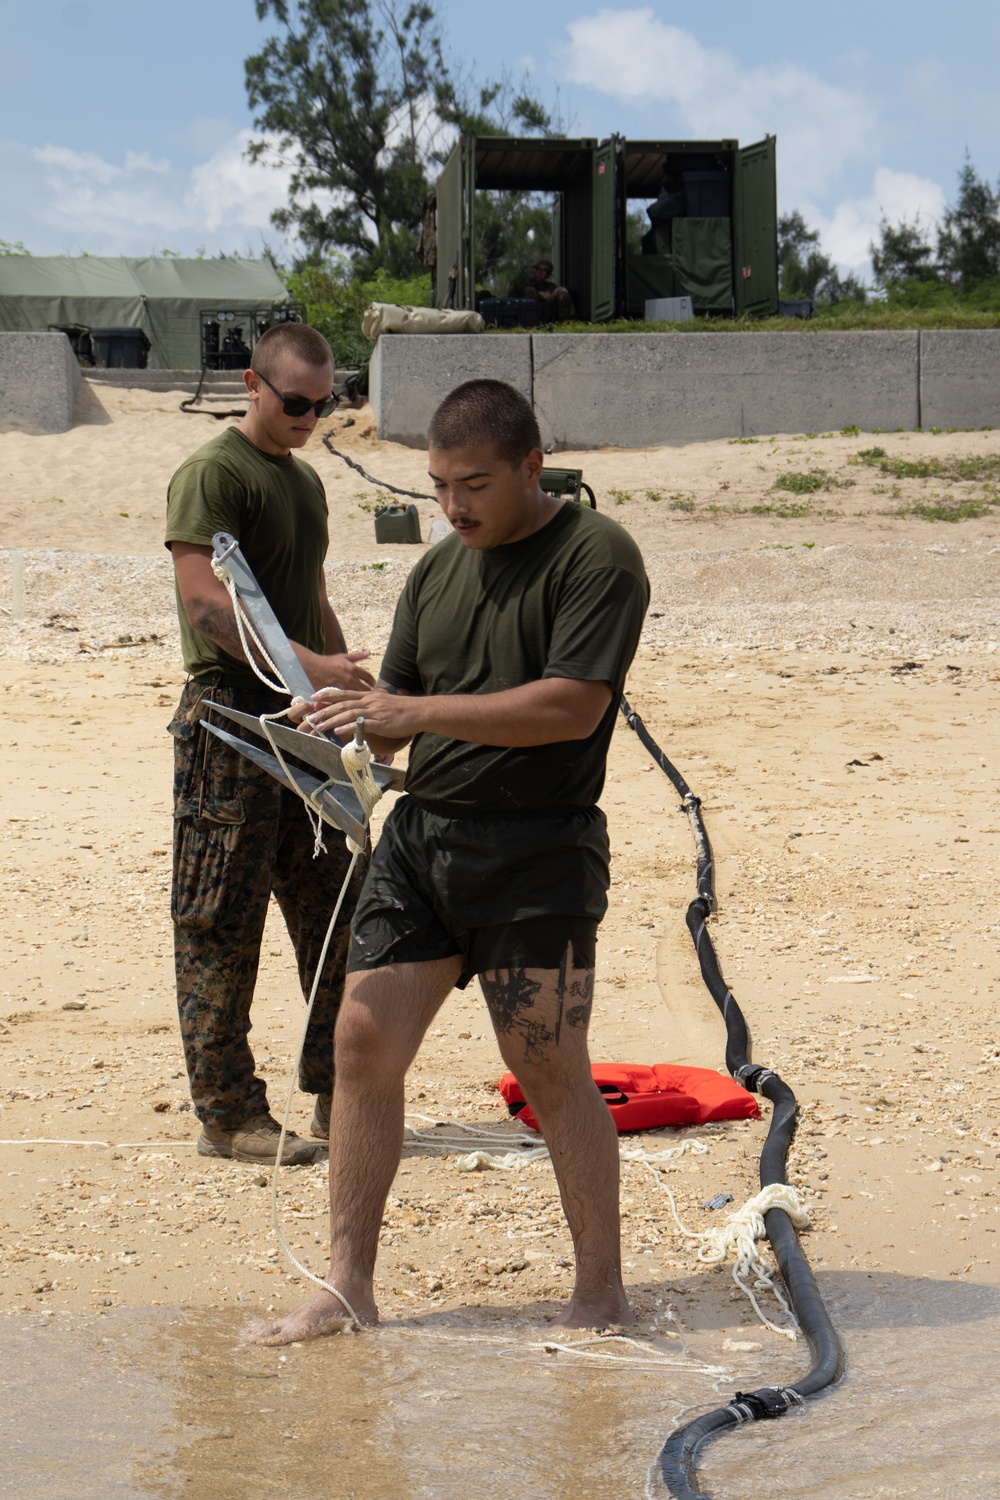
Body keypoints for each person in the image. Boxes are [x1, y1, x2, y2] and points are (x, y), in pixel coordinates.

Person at [250, 377, 649, 1345]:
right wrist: (338, 722)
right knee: (358, 1046)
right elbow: (396, 722)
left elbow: (571, 707)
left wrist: (408, 713)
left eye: (472, 483)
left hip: (539, 848)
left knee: (546, 1062)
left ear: (529, 465)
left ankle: (599, 1291)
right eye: (436, 486)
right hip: (423, 841)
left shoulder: (596, 554)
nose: (453, 506)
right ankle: (348, 1285)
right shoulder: (436, 571)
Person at [165, 322, 374, 1166]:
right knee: (221, 914)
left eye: (323, 406)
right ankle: (227, 1112)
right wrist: (312, 665)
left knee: (340, 905)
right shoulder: (213, 474)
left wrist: (340, 681)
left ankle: (339, 1092)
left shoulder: (308, 484)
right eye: (295, 403)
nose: (309, 418)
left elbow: (310, 595)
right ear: (252, 385)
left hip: (300, 722)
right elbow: (204, 605)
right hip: (230, 718)